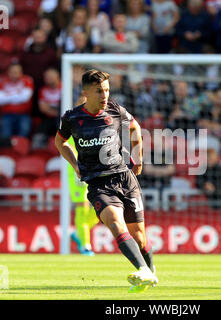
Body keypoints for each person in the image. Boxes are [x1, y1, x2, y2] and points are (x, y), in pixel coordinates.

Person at [55, 69, 158, 293]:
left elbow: (135, 127)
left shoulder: (115, 110)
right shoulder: (72, 118)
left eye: (107, 90)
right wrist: (74, 164)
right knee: (114, 221)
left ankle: (150, 274)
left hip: (125, 178)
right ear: (85, 93)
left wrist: (138, 157)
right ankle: (143, 270)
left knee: (139, 237)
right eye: (99, 91)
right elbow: (60, 142)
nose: (104, 96)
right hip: (98, 184)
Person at [67, 138, 99, 256]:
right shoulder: (72, 121)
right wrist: (77, 167)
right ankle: (85, 246)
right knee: (82, 209)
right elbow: (67, 146)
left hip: (94, 169)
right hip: (78, 171)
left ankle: (78, 234)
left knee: (101, 207)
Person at [0, 63, 34, 138]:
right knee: (5, 134)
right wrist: (17, 95)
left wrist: (7, 96)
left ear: (21, 72)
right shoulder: (2, 82)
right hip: (7, 114)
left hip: (24, 114)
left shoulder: (27, 80)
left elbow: (25, 97)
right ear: (8, 72)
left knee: (24, 131)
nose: (14, 74)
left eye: (17, 72)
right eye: (12, 72)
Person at [32, 68, 62, 149]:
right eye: (46, 77)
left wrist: (50, 107)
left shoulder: (64, 87)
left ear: (58, 76)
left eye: (51, 77)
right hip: (48, 119)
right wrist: (58, 110)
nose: (48, 79)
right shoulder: (43, 90)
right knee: (39, 132)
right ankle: (39, 153)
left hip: (64, 118)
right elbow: (43, 109)